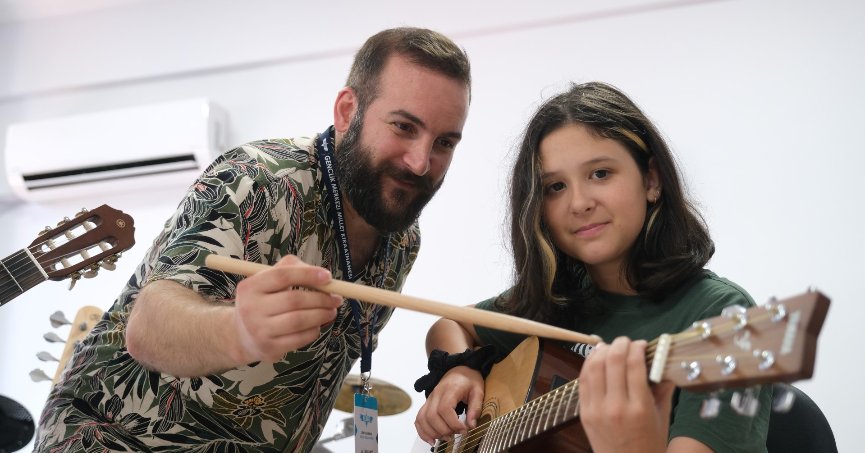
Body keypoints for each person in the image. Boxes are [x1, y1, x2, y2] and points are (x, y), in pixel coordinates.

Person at [34, 27, 471, 453]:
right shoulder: (255, 178)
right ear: (346, 111)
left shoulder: (402, 242)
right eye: (403, 127)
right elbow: (148, 326)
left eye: (445, 142)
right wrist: (239, 331)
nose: (420, 162)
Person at [413, 82, 771, 452]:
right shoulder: (558, 298)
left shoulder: (722, 318)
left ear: (651, 180)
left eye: (600, 173)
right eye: (555, 187)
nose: (579, 203)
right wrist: (459, 368)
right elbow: (450, 322)